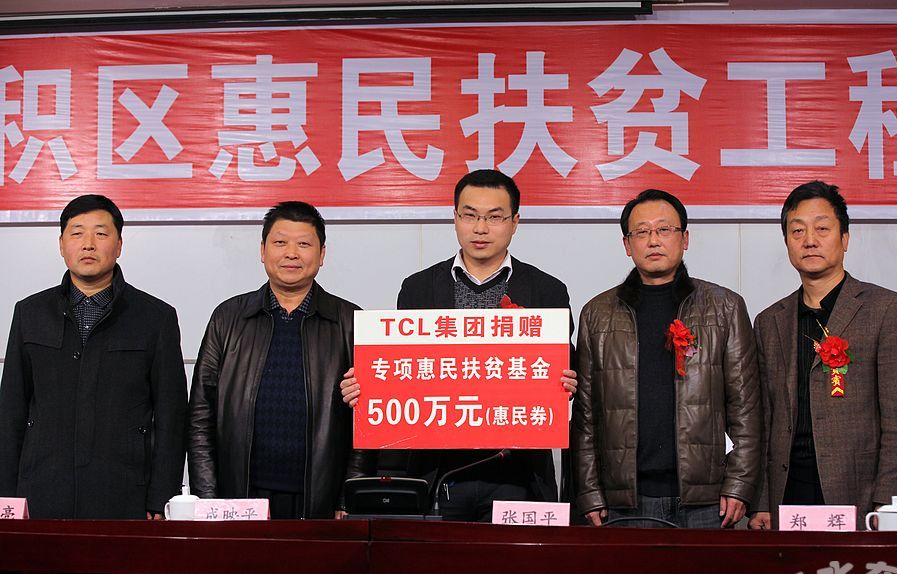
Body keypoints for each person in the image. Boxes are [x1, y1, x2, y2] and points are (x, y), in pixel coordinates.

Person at [341, 169, 576, 522]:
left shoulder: (547, 290)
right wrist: (368, 384)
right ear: (455, 218)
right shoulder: (418, 288)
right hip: (438, 472)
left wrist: (567, 382)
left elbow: (564, 368)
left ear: (515, 222)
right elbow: (405, 368)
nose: (480, 228)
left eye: (494, 217)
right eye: (470, 215)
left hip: (517, 473)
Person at [572, 189, 760, 528]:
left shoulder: (725, 308)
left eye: (664, 229)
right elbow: (586, 416)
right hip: (624, 502)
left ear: (685, 239)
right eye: (641, 232)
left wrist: (739, 485)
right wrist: (589, 493)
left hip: (707, 501)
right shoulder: (597, 314)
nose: (653, 240)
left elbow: (745, 407)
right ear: (627, 244)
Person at [749, 181, 897, 530]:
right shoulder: (770, 321)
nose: (809, 240)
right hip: (787, 493)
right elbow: (763, 420)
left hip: (859, 494)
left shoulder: (887, 310)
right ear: (787, 242)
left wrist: (888, 505)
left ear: (845, 239)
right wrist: (762, 502)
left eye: (822, 229)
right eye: (797, 230)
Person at [0, 194, 187, 519]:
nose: (88, 244)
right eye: (77, 233)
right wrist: (6, 498)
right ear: (61, 245)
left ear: (119, 245)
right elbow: (11, 411)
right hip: (41, 492)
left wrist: (161, 498)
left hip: (124, 494)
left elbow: (172, 417)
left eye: (101, 233)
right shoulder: (30, 313)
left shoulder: (155, 318)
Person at [188, 201, 371, 519]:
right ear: (263, 251)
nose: (291, 254)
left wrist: (347, 499)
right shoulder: (228, 318)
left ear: (322, 254)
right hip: (240, 497)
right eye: (280, 242)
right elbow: (201, 417)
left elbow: (365, 422)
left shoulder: (350, 321)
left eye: (304, 244)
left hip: (321, 499)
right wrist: (208, 500)